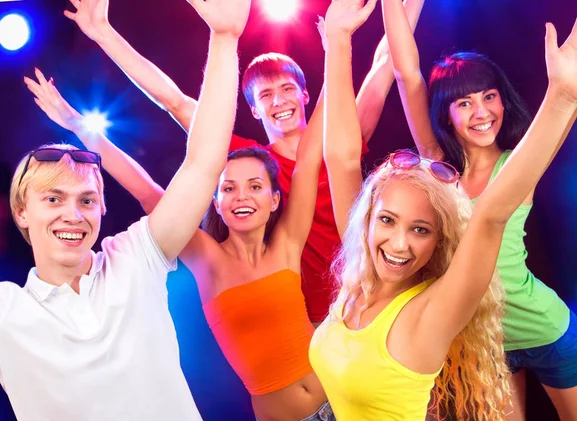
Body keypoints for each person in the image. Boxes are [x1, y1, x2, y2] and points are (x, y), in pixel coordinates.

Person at [309, 0, 577, 420]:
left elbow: (492, 213)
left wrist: (567, 94)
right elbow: (407, 75)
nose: (480, 111)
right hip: (484, 341)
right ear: (446, 112)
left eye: (489, 97)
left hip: (546, 329)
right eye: (464, 102)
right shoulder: (437, 177)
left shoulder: (517, 166)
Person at [27, 22, 329, 421]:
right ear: (215, 203)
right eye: (228, 189)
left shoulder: (289, 242)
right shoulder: (206, 259)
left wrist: (337, 44)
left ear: (275, 200)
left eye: (255, 187)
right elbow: (146, 189)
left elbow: (309, 159)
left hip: (341, 399)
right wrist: (78, 126)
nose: (241, 196)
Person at [61, 0, 424, 324]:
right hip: (315, 315)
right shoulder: (252, 164)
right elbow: (173, 100)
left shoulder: (345, 131)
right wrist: (104, 35)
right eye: (266, 94)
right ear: (253, 108)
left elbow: (385, 63)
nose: (279, 100)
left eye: (286, 89)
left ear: (305, 93)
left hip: (376, 287)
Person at [3, 0, 251, 419]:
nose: (73, 213)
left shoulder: (135, 258)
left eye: (86, 200)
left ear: (101, 210)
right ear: (21, 212)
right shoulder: (9, 311)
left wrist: (225, 40)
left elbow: (205, 163)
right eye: (52, 199)